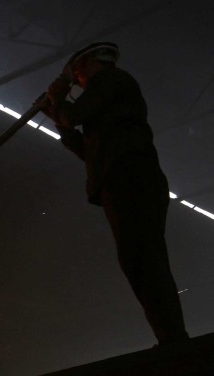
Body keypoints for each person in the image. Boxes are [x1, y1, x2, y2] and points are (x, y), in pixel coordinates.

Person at [43, 42, 188, 346]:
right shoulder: (110, 102)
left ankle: (173, 339)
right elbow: (91, 151)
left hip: (131, 177)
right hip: (123, 178)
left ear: (89, 63)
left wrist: (59, 104)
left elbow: (76, 113)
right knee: (138, 260)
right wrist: (62, 122)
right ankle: (170, 337)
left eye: (78, 71)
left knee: (143, 258)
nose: (77, 79)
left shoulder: (111, 81)